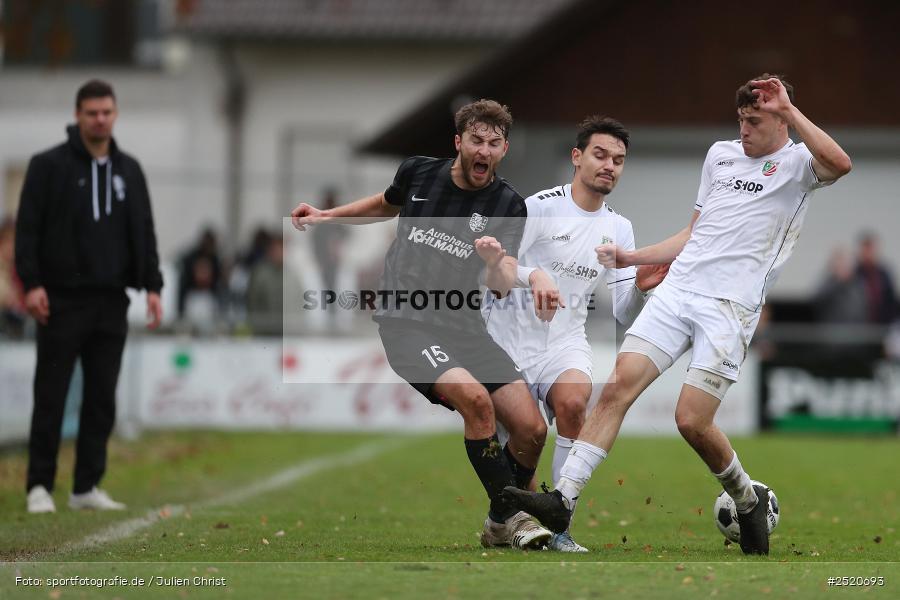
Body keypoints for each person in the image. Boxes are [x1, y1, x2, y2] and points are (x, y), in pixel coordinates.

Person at [503, 74, 852, 556]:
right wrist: (633, 259)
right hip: (678, 291)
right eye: (741, 120)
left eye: (755, 121)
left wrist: (790, 110)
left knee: (691, 421)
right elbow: (695, 231)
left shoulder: (797, 165)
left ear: (779, 120)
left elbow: (842, 163)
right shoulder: (719, 156)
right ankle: (563, 500)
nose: (744, 130)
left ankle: (747, 500)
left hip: (730, 308)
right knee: (616, 389)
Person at [292, 99, 555, 549]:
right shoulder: (418, 172)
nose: (484, 151)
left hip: (466, 328)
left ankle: (497, 524)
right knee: (476, 401)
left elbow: (501, 282)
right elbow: (385, 204)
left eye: (494, 144)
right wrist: (326, 215)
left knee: (532, 430)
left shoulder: (508, 204)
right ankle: (518, 518)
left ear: (504, 149)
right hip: (405, 323)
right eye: (476, 140)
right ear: (459, 142)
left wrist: (494, 262)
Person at [483, 116, 667, 551]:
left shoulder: (619, 227)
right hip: (507, 340)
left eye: (618, 160)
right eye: (601, 155)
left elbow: (624, 310)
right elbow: (495, 273)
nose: (609, 166)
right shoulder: (538, 207)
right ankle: (505, 526)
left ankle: (561, 527)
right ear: (577, 156)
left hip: (564, 340)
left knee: (572, 403)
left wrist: (640, 289)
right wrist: (536, 276)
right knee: (526, 446)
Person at [15, 79, 164, 513]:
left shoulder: (129, 170)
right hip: (60, 301)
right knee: (52, 395)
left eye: (107, 112)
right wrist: (32, 283)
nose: (100, 119)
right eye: (91, 112)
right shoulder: (47, 166)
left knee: (102, 398)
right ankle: (39, 486)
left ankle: (86, 486)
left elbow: (145, 230)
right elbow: (27, 230)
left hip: (112, 300)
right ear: (77, 114)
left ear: (115, 115)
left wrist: (153, 286)